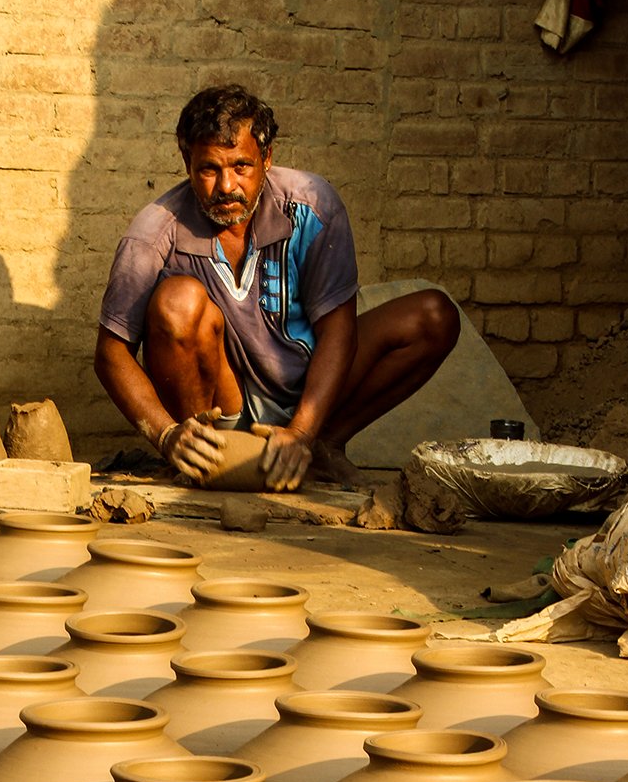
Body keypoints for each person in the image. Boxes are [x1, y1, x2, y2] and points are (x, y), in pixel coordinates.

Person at [94, 84, 461, 491]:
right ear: (187, 162)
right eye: (209, 169)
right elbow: (111, 352)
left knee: (433, 316)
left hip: (310, 393)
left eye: (241, 167)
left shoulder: (311, 208)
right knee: (177, 302)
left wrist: (303, 431)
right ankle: (205, 460)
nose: (226, 187)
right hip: (225, 402)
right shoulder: (155, 232)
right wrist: (166, 435)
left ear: (267, 158)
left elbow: (338, 331)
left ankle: (321, 447)